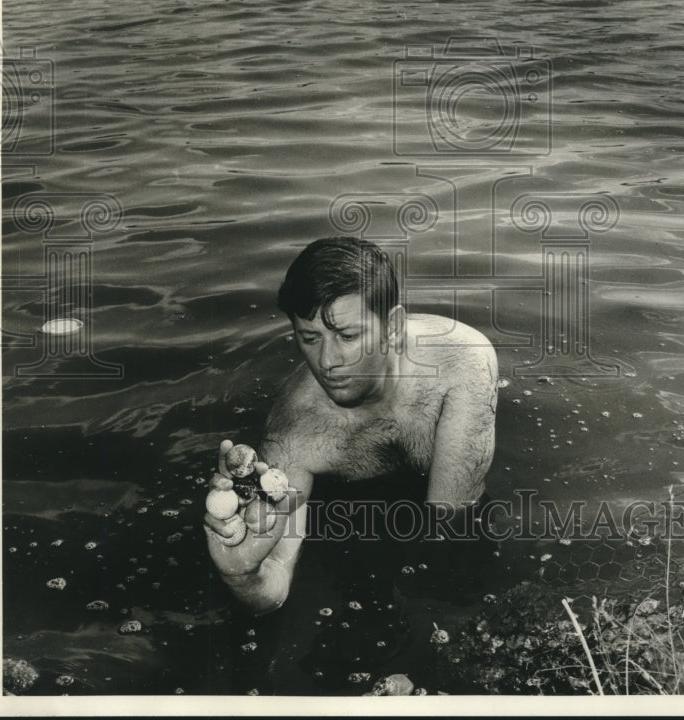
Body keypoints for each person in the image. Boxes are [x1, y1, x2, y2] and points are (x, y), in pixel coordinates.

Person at [203, 236, 499, 615]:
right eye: (310, 338)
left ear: (392, 327)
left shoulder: (463, 364)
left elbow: (451, 520)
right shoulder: (296, 434)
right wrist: (242, 576)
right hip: (348, 518)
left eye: (347, 336)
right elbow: (275, 580)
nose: (327, 360)